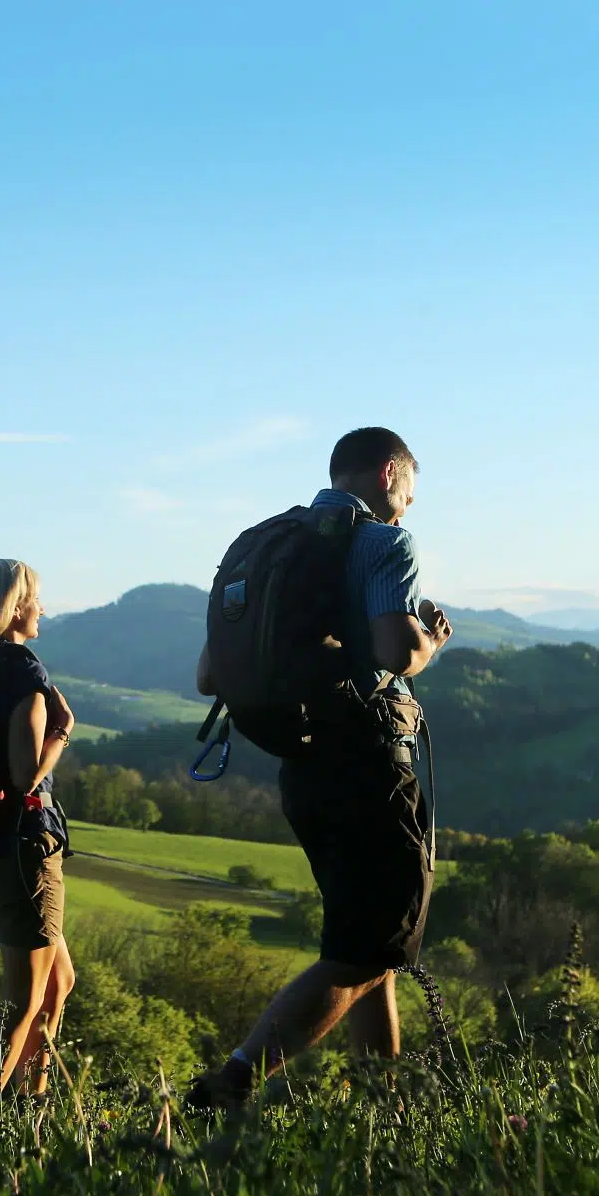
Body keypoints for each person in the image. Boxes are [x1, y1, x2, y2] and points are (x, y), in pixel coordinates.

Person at [189, 426, 453, 1108]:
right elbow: (396, 651)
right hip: (369, 764)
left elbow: (208, 674)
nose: (408, 508)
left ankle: (384, 1110)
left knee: (371, 953)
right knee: (367, 952)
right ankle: (237, 1077)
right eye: (410, 493)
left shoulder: (261, 544)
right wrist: (430, 643)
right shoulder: (383, 543)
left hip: (301, 769)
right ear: (390, 472)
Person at [0, 558, 77, 1106]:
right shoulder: (21, 668)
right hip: (21, 849)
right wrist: (64, 733)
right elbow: (26, 773)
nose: (43, 609)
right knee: (21, 1004)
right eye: (37, 598)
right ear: (19, 603)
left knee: (58, 982)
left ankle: (31, 1107)